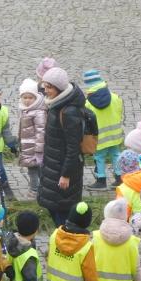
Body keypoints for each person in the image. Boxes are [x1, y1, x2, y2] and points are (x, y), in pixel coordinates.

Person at [37, 66, 86, 228]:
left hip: (62, 171)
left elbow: (73, 148)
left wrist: (66, 174)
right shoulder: (56, 104)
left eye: (49, 87)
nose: (45, 90)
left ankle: (66, 238)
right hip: (53, 165)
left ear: (59, 88)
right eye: (44, 86)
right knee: (53, 207)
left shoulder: (68, 112)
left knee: (62, 211)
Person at [83, 69, 125, 190]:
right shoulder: (115, 97)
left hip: (99, 136)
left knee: (99, 157)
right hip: (115, 135)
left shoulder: (88, 103)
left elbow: (87, 120)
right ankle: (119, 178)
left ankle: (101, 180)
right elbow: (120, 112)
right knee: (116, 154)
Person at [17, 78, 47, 194]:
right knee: (33, 170)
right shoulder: (25, 110)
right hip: (27, 147)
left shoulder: (38, 112)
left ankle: (35, 190)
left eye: (30, 98)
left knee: (34, 170)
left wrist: (39, 150)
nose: (27, 100)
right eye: (25, 97)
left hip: (35, 149)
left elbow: (41, 131)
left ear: (36, 97)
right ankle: (41, 188)